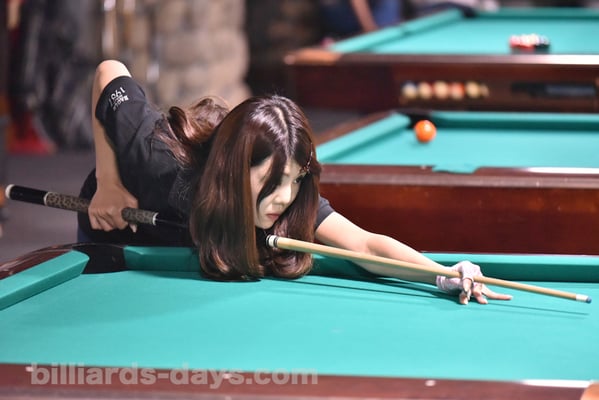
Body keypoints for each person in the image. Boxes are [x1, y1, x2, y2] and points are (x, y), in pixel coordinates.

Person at [79, 59, 512, 305]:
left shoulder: (290, 200)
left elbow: (364, 244)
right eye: (269, 182)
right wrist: (109, 182)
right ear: (233, 170)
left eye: (293, 180)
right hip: (121, 228)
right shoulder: (160, 161)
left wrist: (441, 274)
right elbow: (108, 72)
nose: (282, 198)